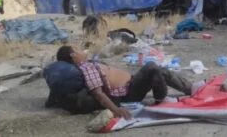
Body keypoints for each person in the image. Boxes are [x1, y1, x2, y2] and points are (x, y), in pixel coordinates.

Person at [55, 45, 203, 120]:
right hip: (128, 93)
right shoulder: (86, 67)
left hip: (130, 84)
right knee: (151, 67)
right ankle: (161, 99)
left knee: (159, 70)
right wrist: (116, 110)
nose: (81, 49)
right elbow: (98, 93)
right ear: (73, 55)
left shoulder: (90, 62)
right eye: (77, 48)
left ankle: (190, 88)